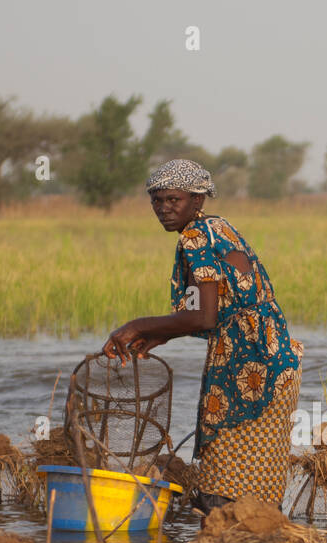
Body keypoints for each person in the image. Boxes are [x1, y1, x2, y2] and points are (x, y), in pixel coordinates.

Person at [103, 159, 302, 516]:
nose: (163, 209)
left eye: (173, 200)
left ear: (197, 200)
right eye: (157, 200)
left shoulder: (195, 238)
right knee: (256, 483)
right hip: (275, 360)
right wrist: (161, 336)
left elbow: (204, 315)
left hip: (249, 368)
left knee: (222, 491)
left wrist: (135, 326)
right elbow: (219, 312)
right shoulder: (218, 227)